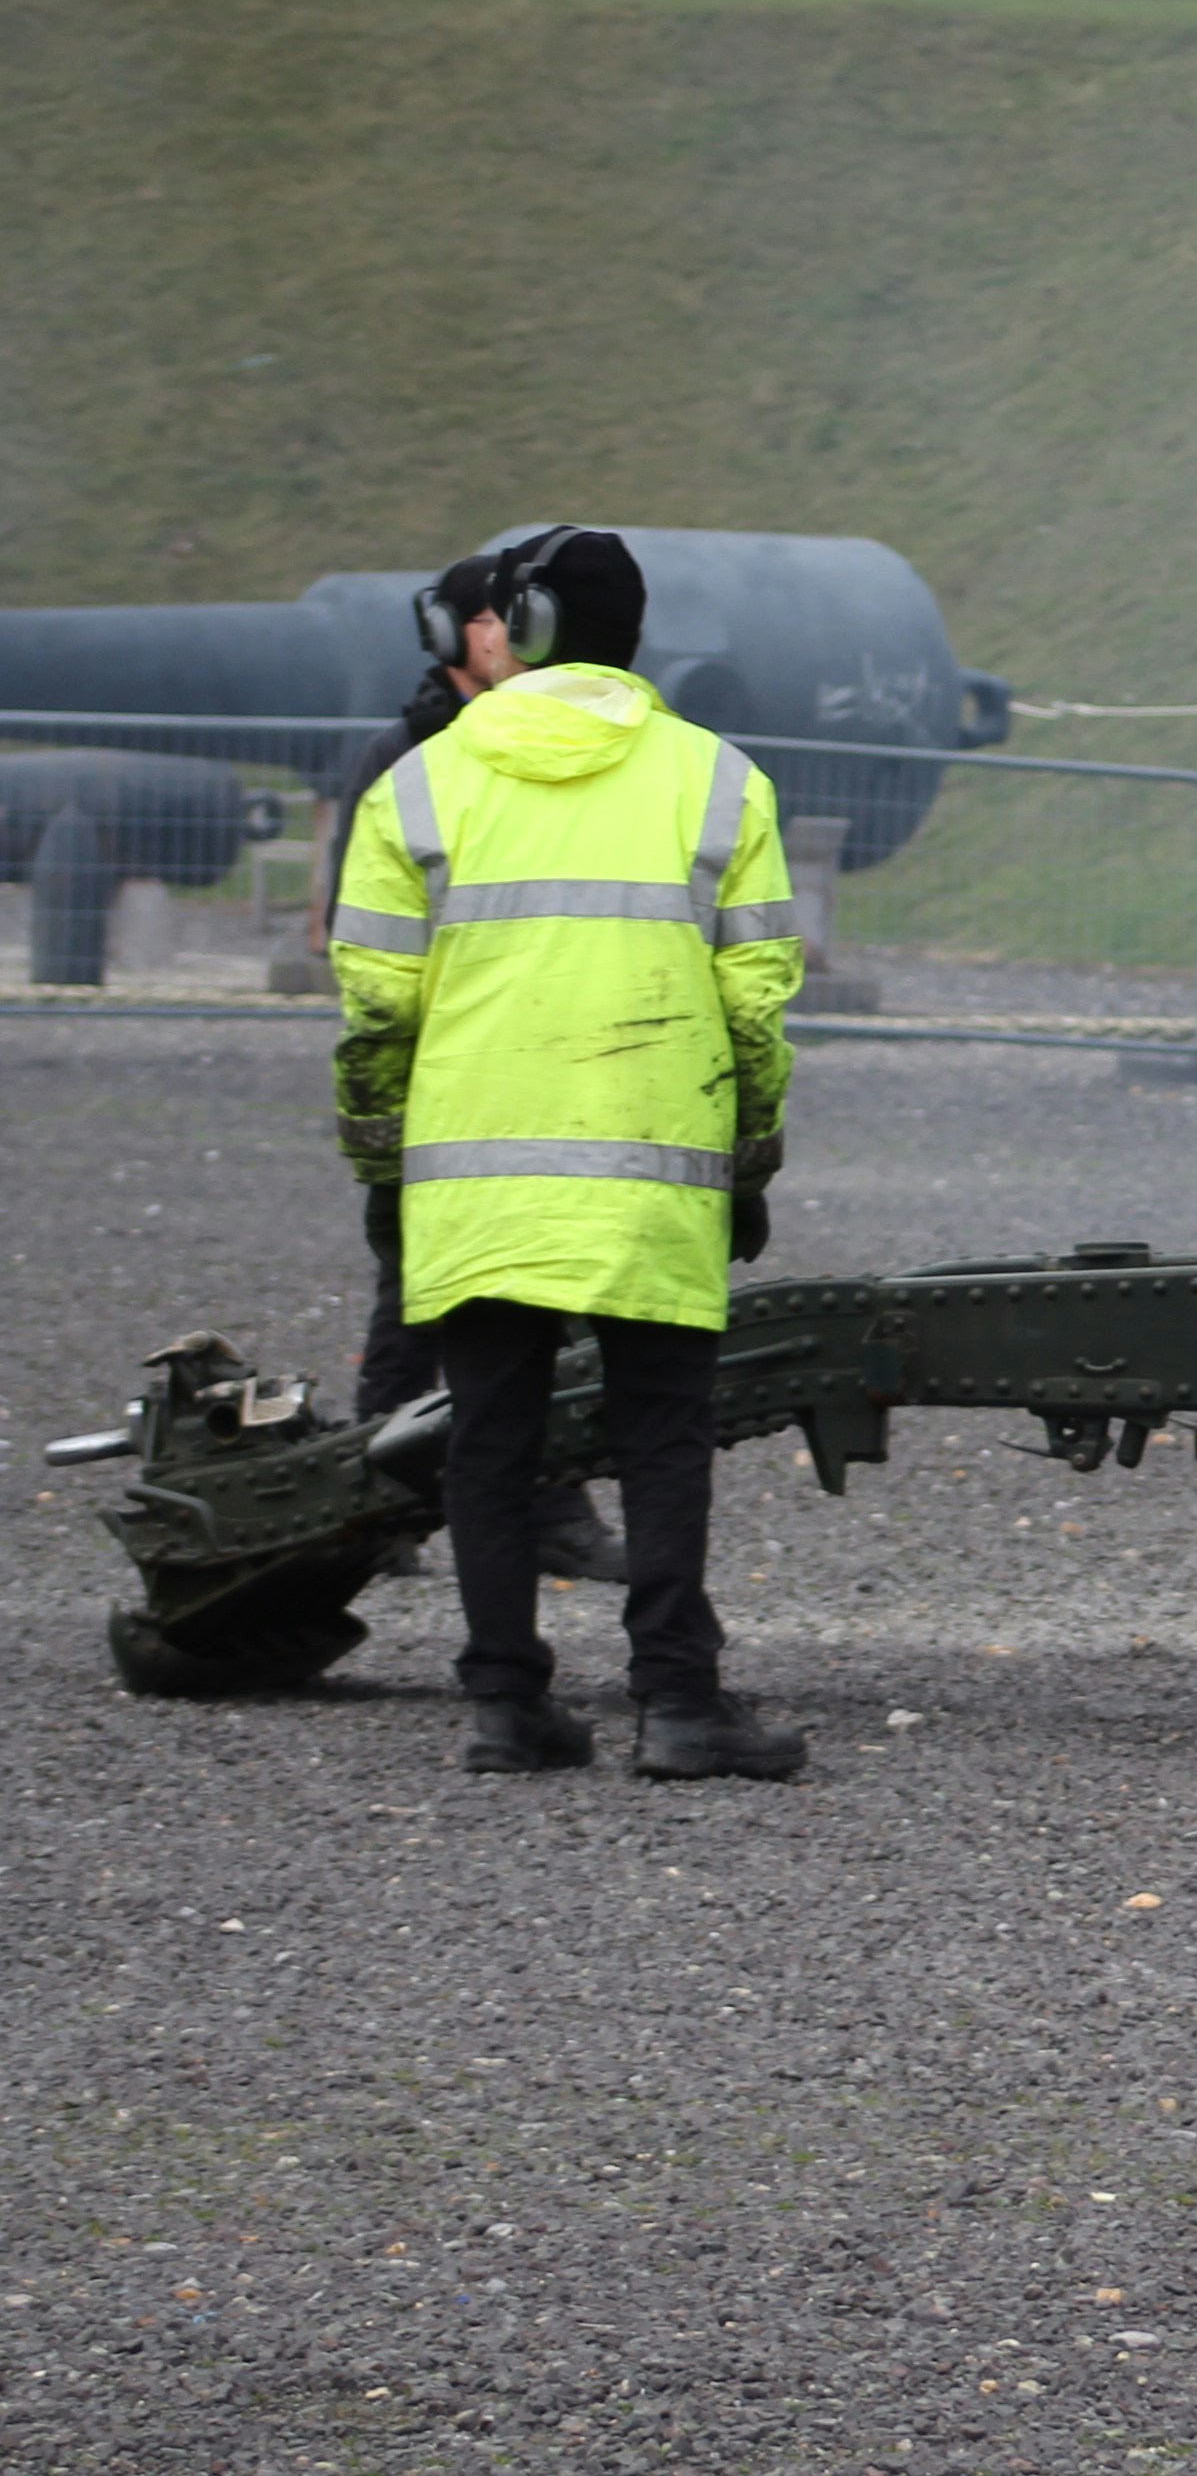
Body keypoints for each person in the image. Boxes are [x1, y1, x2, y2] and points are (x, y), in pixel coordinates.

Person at [329, 528, 812, 1782]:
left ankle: (505, 1705)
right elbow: (754, 1008)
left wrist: (381, 1156)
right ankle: (679, 1704)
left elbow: (376, 1007)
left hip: (473, 1179)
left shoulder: (421, 787)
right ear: (632, 635)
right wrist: (747, 1159)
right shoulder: (719, 784)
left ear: (523, 630)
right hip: (655, 1169)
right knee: (661, 1436)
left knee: (491, 1437)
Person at [328, 538, 621, 1588]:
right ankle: (377, 1496)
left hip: (550, 1067)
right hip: (459, 1074)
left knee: (550, 1302)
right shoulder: (411, 761)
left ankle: (540, 1507)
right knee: (419, 1300)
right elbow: (365, 944)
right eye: (491, 618)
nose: (507, 634)